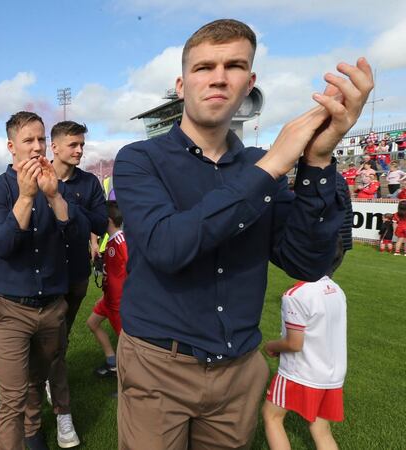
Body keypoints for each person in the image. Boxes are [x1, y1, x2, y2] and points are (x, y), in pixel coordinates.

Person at [112, 19, 373, 449]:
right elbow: (167, 246)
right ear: (181, 84)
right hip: (159, 364)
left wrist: (318, 162)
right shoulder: (140, 159)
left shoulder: (258, 163)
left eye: (233, 66)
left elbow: (307, 263)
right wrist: (271, 167)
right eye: (203, 67)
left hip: (238, 370)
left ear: (249, 82)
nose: (218, 77)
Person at [0, 111, 89, 450]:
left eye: (42, 139)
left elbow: (79, 239)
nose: (38, 147)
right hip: (11, 309)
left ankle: (33, 430)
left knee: (37, 379)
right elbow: (3, 246)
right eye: (29, 140)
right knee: (11, 399)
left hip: (52, 307)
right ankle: (23, 434)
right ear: (12, 146)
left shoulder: (57, 186)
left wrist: (54, 197)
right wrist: (26, 198)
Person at [45, 120, 108, 447]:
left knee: (62, 336)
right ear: (54, 146)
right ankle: (62, 412)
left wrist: (63, 206)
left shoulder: (90, 183)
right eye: (73, 144)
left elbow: (99, 222)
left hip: (78, 275)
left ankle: (47, 375)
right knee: (55, 342)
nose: (80, 150)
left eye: (82, 144)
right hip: (43, 278)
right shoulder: (39, 178)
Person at [262, 242, 347, 450]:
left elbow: (294, 343)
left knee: (271, 416)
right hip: (331, 375)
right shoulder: (336, 290)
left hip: (299, 372)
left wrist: (270, 346)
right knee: (321, 430)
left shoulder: (296, 295)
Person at [85, 200, 126, 377]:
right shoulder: (110, 242)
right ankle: (112, 363)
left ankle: (128, 381)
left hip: (119, 302)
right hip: (108, 299)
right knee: (92, 323)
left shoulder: (121, 241)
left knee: (126, 342)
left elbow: (132, 268)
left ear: (107, 220)